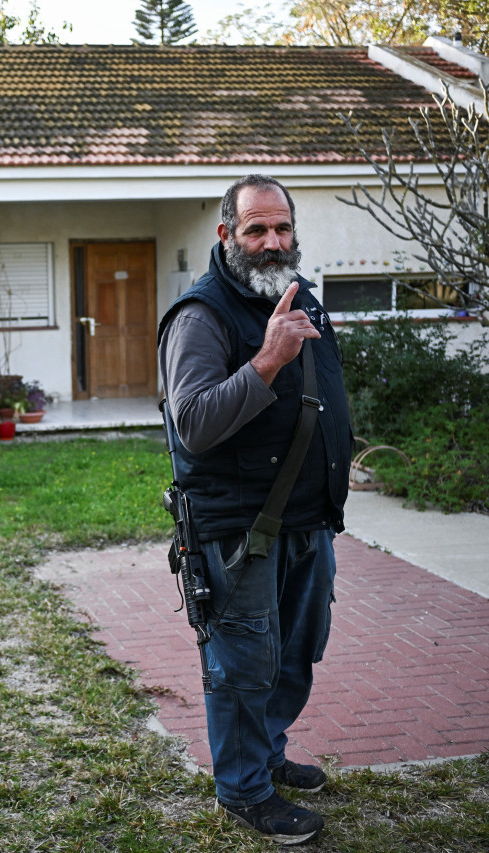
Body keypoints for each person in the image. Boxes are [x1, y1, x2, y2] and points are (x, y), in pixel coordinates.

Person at [156, 175, 352, 846]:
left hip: (304, 520)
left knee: (293, 653)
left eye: (282, 228)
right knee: (243, 665)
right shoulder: (200, 316)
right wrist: (268, 358)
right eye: (256, 230)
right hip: (241, 529)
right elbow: (195, 424)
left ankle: (266, 756)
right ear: (225, 236)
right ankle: (244, 790)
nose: (273, 242)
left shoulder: (302, 299)